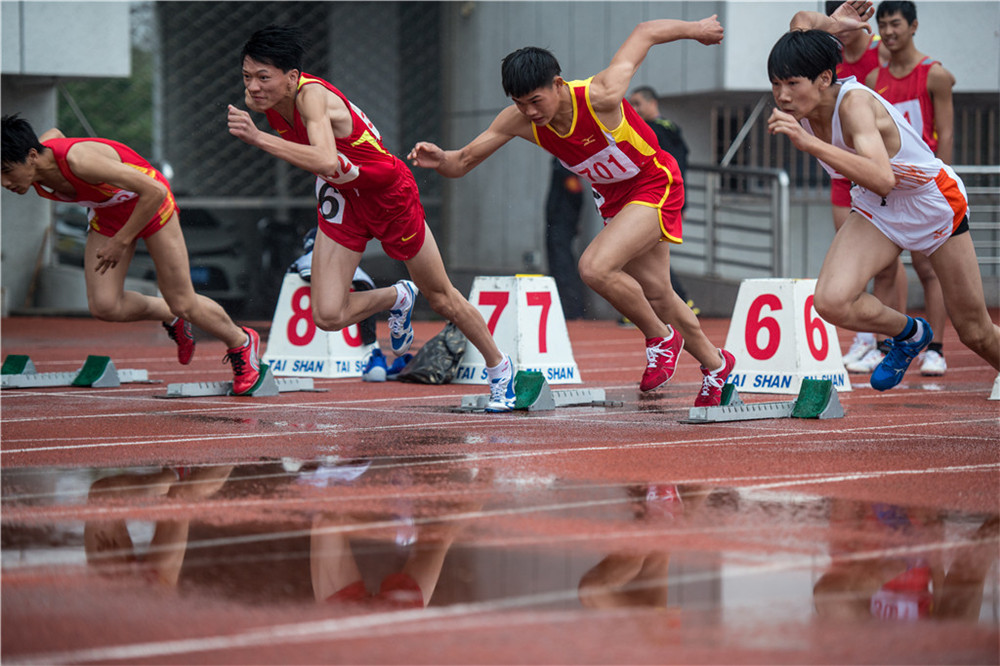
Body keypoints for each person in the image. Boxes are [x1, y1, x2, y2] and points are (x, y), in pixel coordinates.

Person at [408, 17, 737, 407]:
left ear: (558, 84)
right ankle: (717, 365)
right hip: (615, 199)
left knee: (595, 267)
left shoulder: (600, 95)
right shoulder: (519, 120)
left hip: (654, 182)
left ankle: (661, 338)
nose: (530, 112)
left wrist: (697, 29)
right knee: (660, 293)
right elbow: (463, 161)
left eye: (536, 100)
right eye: (519, 103)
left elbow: (645, 32)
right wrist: (441, 158)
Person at [228, 25, 515, 412]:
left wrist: (259, 138)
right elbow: (326, 166)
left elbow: (326, 159)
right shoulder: (260, 99)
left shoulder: (312, 97)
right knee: (327, 315)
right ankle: (397, 297)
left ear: (292, 77)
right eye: (247, 76)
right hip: (343, 196)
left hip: (387, 193)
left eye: (264, 77)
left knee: (441, 296)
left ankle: (500, 369)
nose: (253, 87)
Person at [768, 0, 999, 391]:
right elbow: (801, 20)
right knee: (831, 301)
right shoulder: (804, 99)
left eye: (792, 85)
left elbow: (882, 177)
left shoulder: (854, 104)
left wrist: (810, 144)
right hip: (879, 207)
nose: (783, 96)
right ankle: (910, 333)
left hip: (931, 200)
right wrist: (834, 23)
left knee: (974, 330)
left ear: (824, 79)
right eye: (776, 84)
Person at [0, 114, 262, 394]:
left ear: (31, 156)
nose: (4, 182)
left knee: (184, 301)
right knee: (105, 306)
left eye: (6, 171)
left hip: (151, 205)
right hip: (109, 214)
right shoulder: (38, 156)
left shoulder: (80, 161)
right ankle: (173, 315)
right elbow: (54, 133)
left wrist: (121, 241)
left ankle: (241, 341)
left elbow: (154, 190)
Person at [849, 0, 953, 378]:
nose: (889, 32)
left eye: (896, 24)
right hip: (888, 188)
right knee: (885, 269)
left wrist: (940, 185)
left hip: (924, 188)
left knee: (928, 269)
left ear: (913, 26)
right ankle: (885, 346)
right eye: (884, 25)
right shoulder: (873, 80)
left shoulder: (934, 74)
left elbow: (946, 134)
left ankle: (935, 349)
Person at [820, 0, 897, 369]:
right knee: (853, 264)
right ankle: (864, 339)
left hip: (882, 166)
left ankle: (889, 343)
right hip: (843, 174)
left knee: (889, 267)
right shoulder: (824, 57)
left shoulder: (882, 52)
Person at [626, 86, 699, 315]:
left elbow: (668, 167)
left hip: (656, 201)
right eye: (631, 104)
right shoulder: (671, 127)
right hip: (668, 199)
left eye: (637, 104)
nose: (634, 109)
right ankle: (668, 305)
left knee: (640, 253)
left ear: (653, 103)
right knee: (644, 253)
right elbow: (682, 163)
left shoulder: (652, 131)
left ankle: (678, 302)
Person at [544, 157, 588, 320]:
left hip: (561, 220)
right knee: (559, 264)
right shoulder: (563, 159)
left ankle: (572, 308)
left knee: (563, 264)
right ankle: (568, 307)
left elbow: (575, 190)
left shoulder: (564, 160)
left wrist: (572, 217)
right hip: (558, 220)